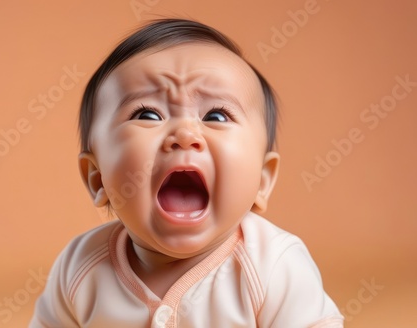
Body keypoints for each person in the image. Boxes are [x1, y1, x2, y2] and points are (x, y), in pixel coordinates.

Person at [29, 18, 344, 328]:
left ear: (262, 180)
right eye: (148, 114)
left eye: (217, 115)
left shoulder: (275, 266)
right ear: (97, 179)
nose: (184, 133)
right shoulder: (80, 267)